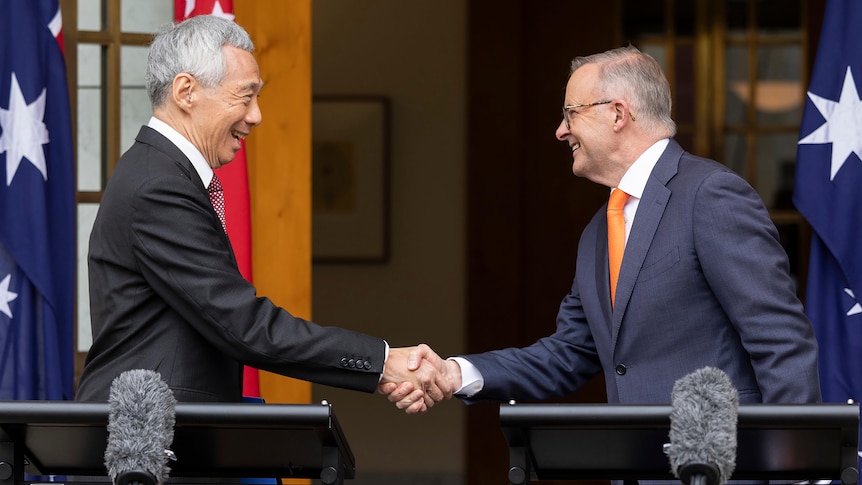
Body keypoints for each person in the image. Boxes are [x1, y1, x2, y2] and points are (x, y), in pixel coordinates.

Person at [382, 45, 821, 411]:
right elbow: (569, 353)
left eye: (570, 113)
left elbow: (779, 338)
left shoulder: (709, 194)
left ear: (617, 113)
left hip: (726, 467)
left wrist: (794, 465)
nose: (559, 131)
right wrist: (453, 373)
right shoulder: (599, 231)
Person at [75, 15, 436, 413]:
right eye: (245, 97)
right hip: (148, 447)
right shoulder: (158, 186)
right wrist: (383, 362)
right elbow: (243, 325)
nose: (256, 115)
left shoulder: (159, 172)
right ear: (186, 91)